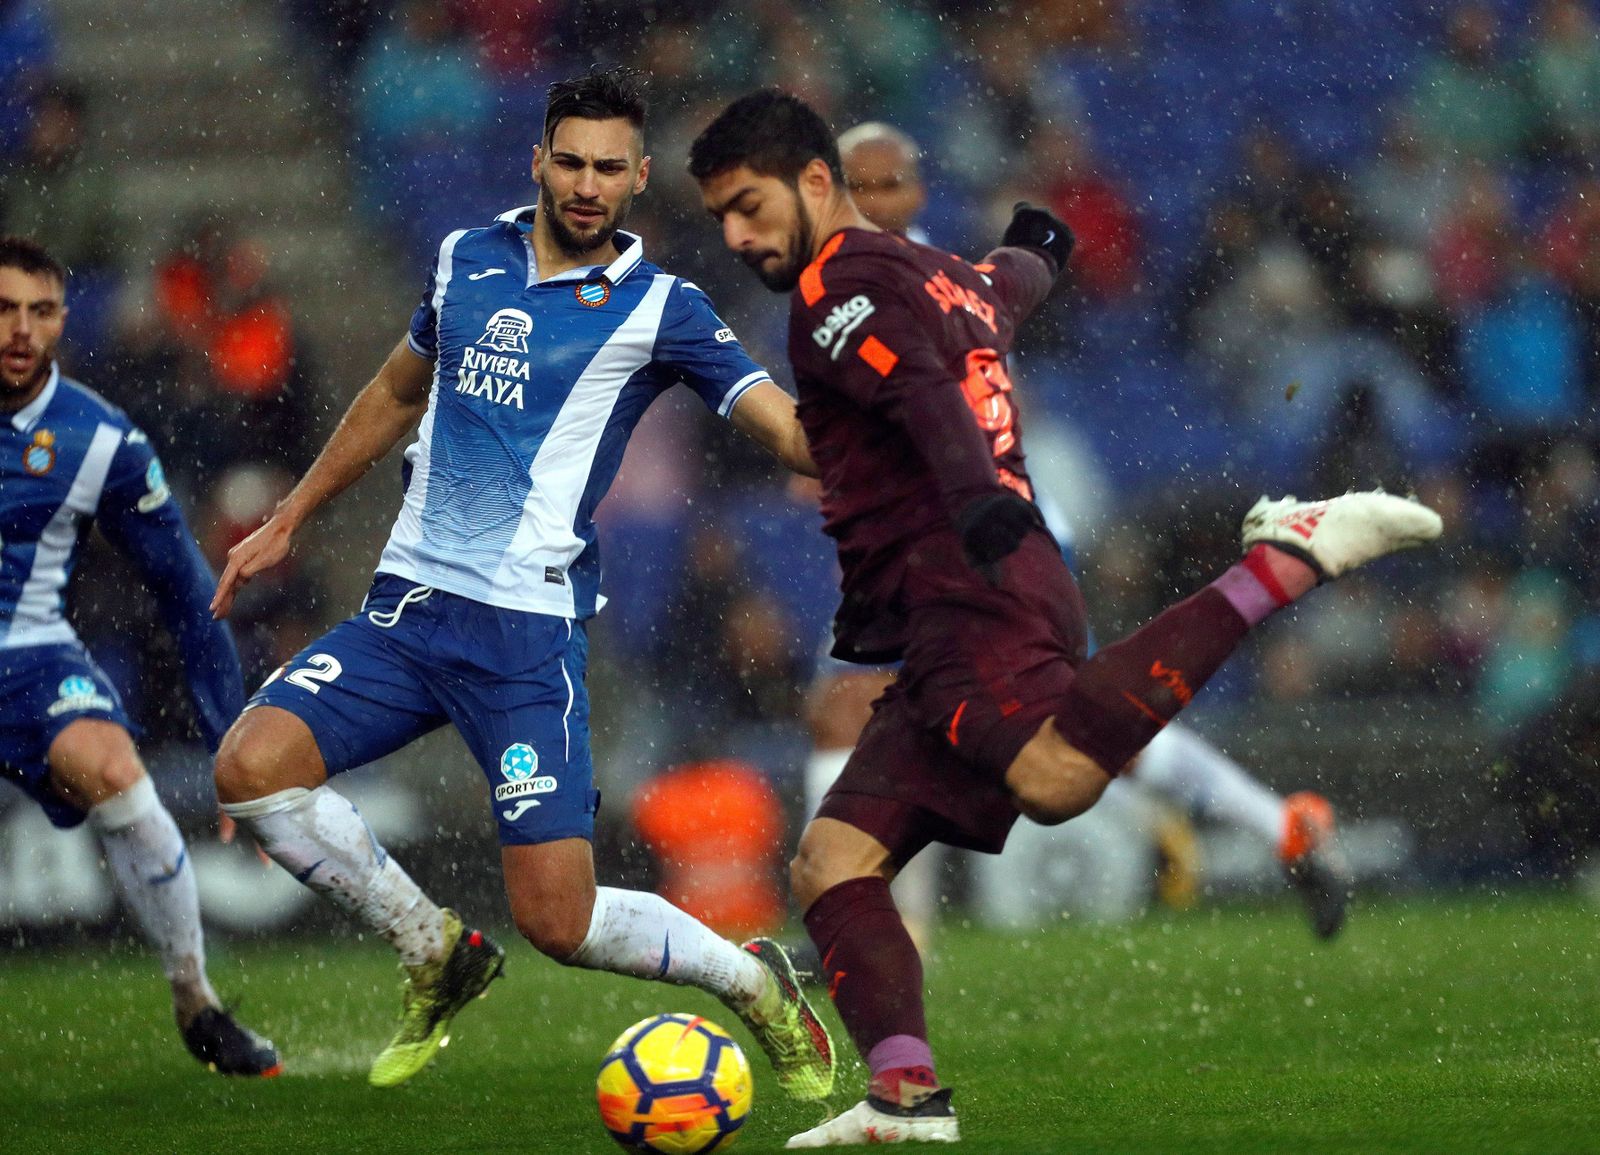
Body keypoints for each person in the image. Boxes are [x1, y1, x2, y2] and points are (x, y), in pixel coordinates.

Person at [690, 91, 1442, 1146]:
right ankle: (904, 1097)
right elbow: (1008, 285)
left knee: (1054, 778)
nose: (736, 234)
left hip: (967, 578)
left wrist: (977, 500)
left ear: (815, 182)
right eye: (720, 216)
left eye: (747, 206)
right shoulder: (934, 272)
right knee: (833, 863)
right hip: (958, 591)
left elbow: (919, 400)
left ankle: (1281, 565)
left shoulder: (834, 291)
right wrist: (1040, 240)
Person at [207, 68, 834, 1099]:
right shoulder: (465, 259)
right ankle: (436, 951)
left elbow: (779, 425)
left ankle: (751, 978)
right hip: (406, 610)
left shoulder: (661, 308)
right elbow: (395, 390)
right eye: (571, 161)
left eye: (609, 168)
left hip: (525, 638)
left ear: (638, 178)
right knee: (252, 768)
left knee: (560, 923)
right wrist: (294, 513)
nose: (587, 185)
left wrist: (891, 443)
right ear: (539, 160)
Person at [816, 123, 1353, 945]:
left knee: (1049, 732)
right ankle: (1283, 825)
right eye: (854, 183)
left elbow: (953, 400)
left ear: (913, 191)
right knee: (902, 718)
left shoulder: (892, 274)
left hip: (979, 534)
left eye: (883, 182)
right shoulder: (869, 274)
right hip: (935, 540)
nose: (864, 198)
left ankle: (898, 924)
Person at [0, 235, 279, 1077]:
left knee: (116, 766)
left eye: (39, 311)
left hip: (27, 647)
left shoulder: (99, 439)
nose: (19, 328)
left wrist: (232, 746)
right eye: (3, 309)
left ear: (61, 320)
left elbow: (188, 592)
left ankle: (196, 998)